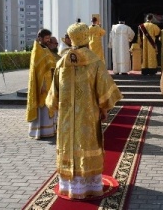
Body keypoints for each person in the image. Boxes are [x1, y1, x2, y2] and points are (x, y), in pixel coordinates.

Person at [45, 21, 122, 199]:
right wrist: (104, 109)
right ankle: (89, 186)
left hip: (66, 117)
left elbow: (53, 93)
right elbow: (105, 91)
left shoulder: (62, 61)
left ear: (70, 38)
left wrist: (54, 107)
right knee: (87, 144)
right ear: (86, 36)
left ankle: (71, 186)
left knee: (68, 145)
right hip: (87, 115)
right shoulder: (94, 60)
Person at [26, 28, 57, 139]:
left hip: (49, 81)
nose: (48, 40)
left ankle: (48, 130)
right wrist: (42, 84)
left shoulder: (45, 48)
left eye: (49, 38)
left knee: (48, 106)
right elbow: (38, 69)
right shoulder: (37, 49)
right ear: (40, 38)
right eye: (46, 38)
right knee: (42, 105)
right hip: (42, 83)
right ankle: (40, 131)